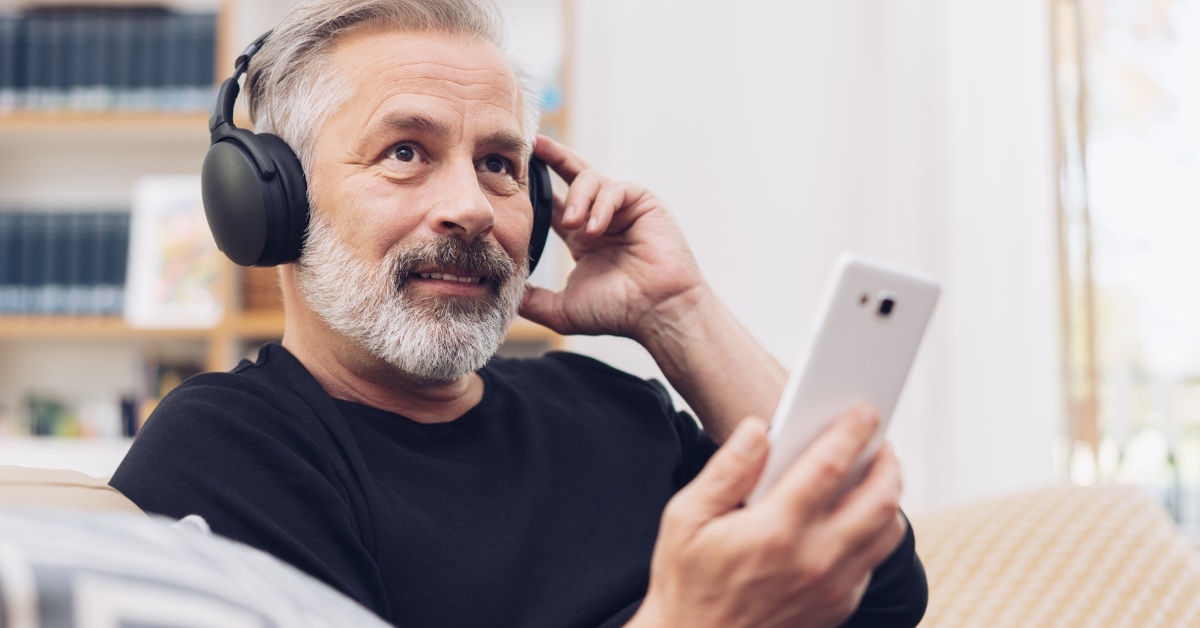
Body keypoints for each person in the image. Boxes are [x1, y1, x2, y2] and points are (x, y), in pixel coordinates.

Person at [111, 0, 928, 626]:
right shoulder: (221, 451)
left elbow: (882, 596)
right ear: (272, 202)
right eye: (405, 152)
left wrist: (677, 313)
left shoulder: (613, 407)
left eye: (500, 164)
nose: (471, 207)